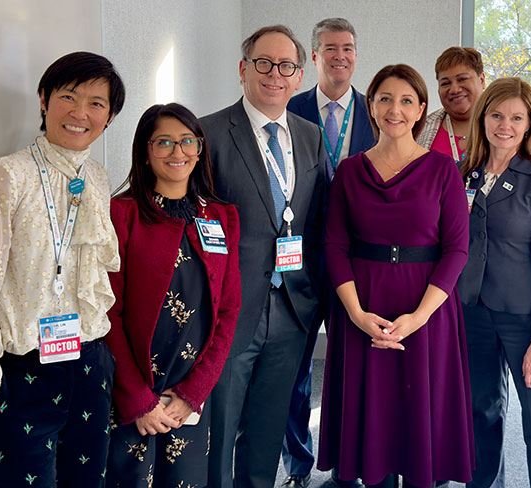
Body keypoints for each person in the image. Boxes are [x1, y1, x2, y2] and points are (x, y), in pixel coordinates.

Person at [0, 51, 125, 487]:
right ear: (43, 100)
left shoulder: (98, 178)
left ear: (109, 116)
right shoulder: (5, 176)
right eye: (68, 96)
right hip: (21, 370)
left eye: (96, 103)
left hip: (89, 363)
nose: (80, 113)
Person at [318, 64, 473, 488]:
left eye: (407, 100)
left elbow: (457, 250)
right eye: (385, 98)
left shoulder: (443, 170)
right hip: (362, 306)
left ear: (421, 109)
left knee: (420, 417)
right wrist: (355, 313)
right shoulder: (349, 171)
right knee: (375, 419)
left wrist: (419, 316)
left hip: (427, 308)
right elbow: (335, 246)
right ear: (371, 106)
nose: (395, 109)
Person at [200, 25, 327, 488]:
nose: (275, 74)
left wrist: (315, 294)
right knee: (221, 426)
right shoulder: (209, 134)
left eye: (286, 66)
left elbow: (317, 223)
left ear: (299, 76)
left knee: (269, 427)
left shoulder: (311, 137)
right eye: (264, 63)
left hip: (292, 308)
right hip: (231, 310)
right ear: (243, 69)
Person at [104, 103, 241, 487]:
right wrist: (136, 398)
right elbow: (107, 314)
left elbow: (228, 311)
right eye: (163, 142)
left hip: (191, 394)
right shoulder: (122, 214)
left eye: (187, 141)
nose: (177, 152)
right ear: (145, 153)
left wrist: (192, 393)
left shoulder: (220, 216)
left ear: (200, 149)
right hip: (133, 392)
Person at [456, 77, 531, 488]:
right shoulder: (463, 174)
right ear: (482, 117)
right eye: (497, 115)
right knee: (479, 414)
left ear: (529, 124)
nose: (505, 125)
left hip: (527, 320)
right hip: (472, 314)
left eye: (516, 117)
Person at [283, 17, 375, 488]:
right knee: (293, 369)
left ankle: (348, 463)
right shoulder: (289, 109)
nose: (340, 56)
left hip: (358, 263)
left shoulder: (379, 112)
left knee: (351, 371)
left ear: (356, 55)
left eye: (348, 48)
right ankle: (297, 465)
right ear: (314, 56)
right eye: (330, 48)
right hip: (295, 260)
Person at [417, 47, 486, 163]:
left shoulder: (505, 126)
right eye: (445, 83)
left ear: (482, 80)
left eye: (462, 79)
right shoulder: (421, 129)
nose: (454, 89)